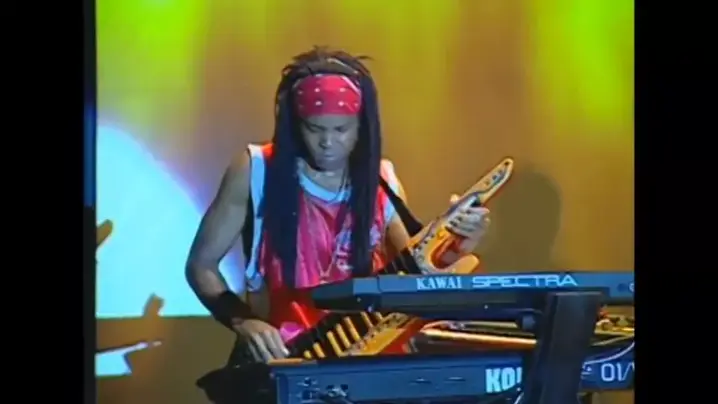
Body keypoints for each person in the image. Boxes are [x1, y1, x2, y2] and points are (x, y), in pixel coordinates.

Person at [185, 47, 491, 364]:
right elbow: (200, 266)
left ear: (361, 126)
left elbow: (414, 273)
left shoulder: (380, 180)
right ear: (295, 124)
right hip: (288, 359)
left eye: (341, 130)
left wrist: (456, 242)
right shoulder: (256, 170)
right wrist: (243, 321)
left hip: (366, 359)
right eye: (314, 129)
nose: (328, 143)